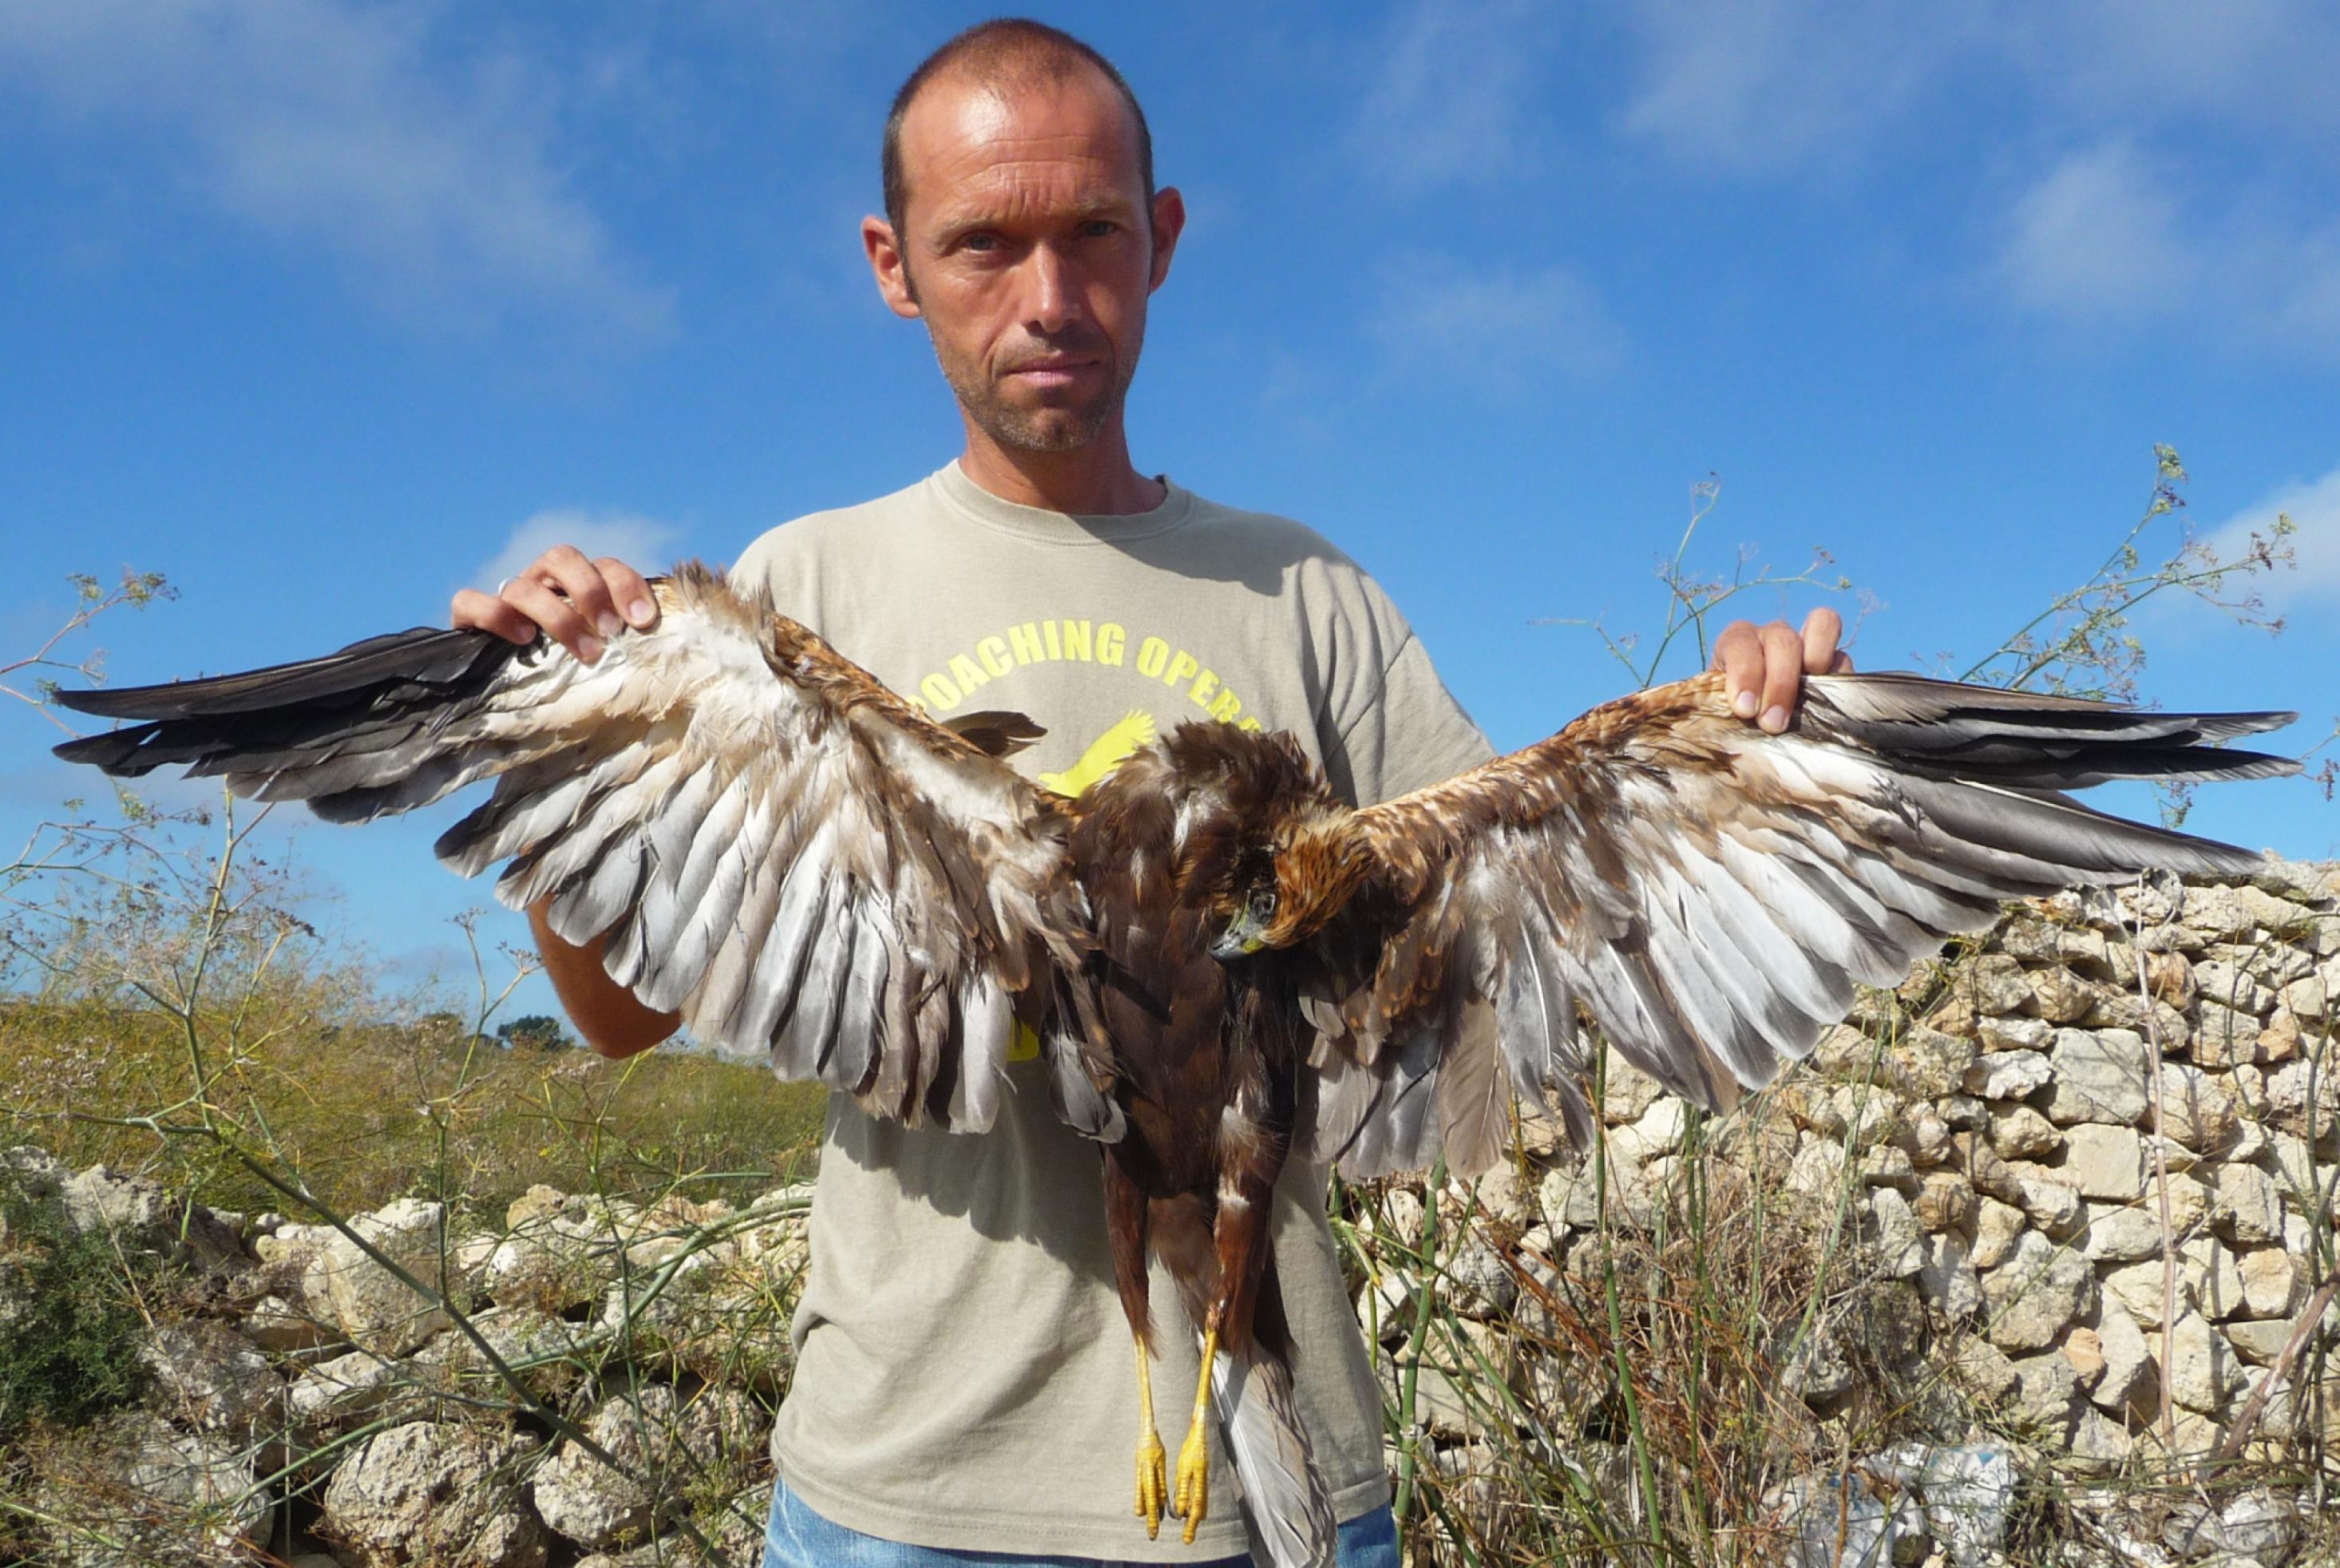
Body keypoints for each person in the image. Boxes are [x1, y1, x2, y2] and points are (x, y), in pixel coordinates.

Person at [453, 20, 1848, 1566]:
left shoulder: (1307, 594)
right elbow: (619, 1017)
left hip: (1279, 1499)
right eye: (982, 243)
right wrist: (563, 761)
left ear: (1163, 237)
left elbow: (1559, 910)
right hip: (902, 1498)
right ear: (891, 262)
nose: (1048, 299)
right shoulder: (797, 595)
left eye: (1093, 234)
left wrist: (1753, 744)